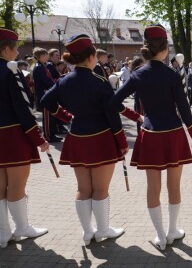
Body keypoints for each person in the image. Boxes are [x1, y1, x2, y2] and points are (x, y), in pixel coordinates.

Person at [41, 34, 141, 246]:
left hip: (77, 137)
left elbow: (45, 101)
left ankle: (87, 232)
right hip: (101, 138)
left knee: (83, 188)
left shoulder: (64, 81)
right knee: (100, 188)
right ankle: (103, 230)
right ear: (90, 57)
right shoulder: (99, 81)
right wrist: (122, 142)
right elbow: (111, 114)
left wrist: (66, 116)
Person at [110, 24, 192, 250]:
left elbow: (113, 102)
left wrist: (136, 116)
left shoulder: (138, 74)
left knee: (153, 188)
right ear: (165, 48)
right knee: (174, 186)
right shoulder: (172, 74)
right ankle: (172, 231)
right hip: (173, 134)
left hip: (150, 133)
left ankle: (160, 236)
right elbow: (185, 109)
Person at [0, 27, 49, 248]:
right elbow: (23, 109)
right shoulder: (11, 71)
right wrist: (38, 138)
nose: (18, 53)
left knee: (0, 186)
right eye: (15, 49)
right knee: (16, 185)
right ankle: (21, 227)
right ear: (6, 49)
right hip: (12, 135)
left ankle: (3, 233)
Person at [32, 47, 62, 142]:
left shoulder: (43, 66)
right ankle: (48, 136)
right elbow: (46, 81)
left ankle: (52, 134)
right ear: (41, 56)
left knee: (51, 116)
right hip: (44, 94)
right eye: (46, 55)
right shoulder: (38, 67)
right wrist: (55, 85)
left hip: (47, 93)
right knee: (47, 117)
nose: (47, 56)